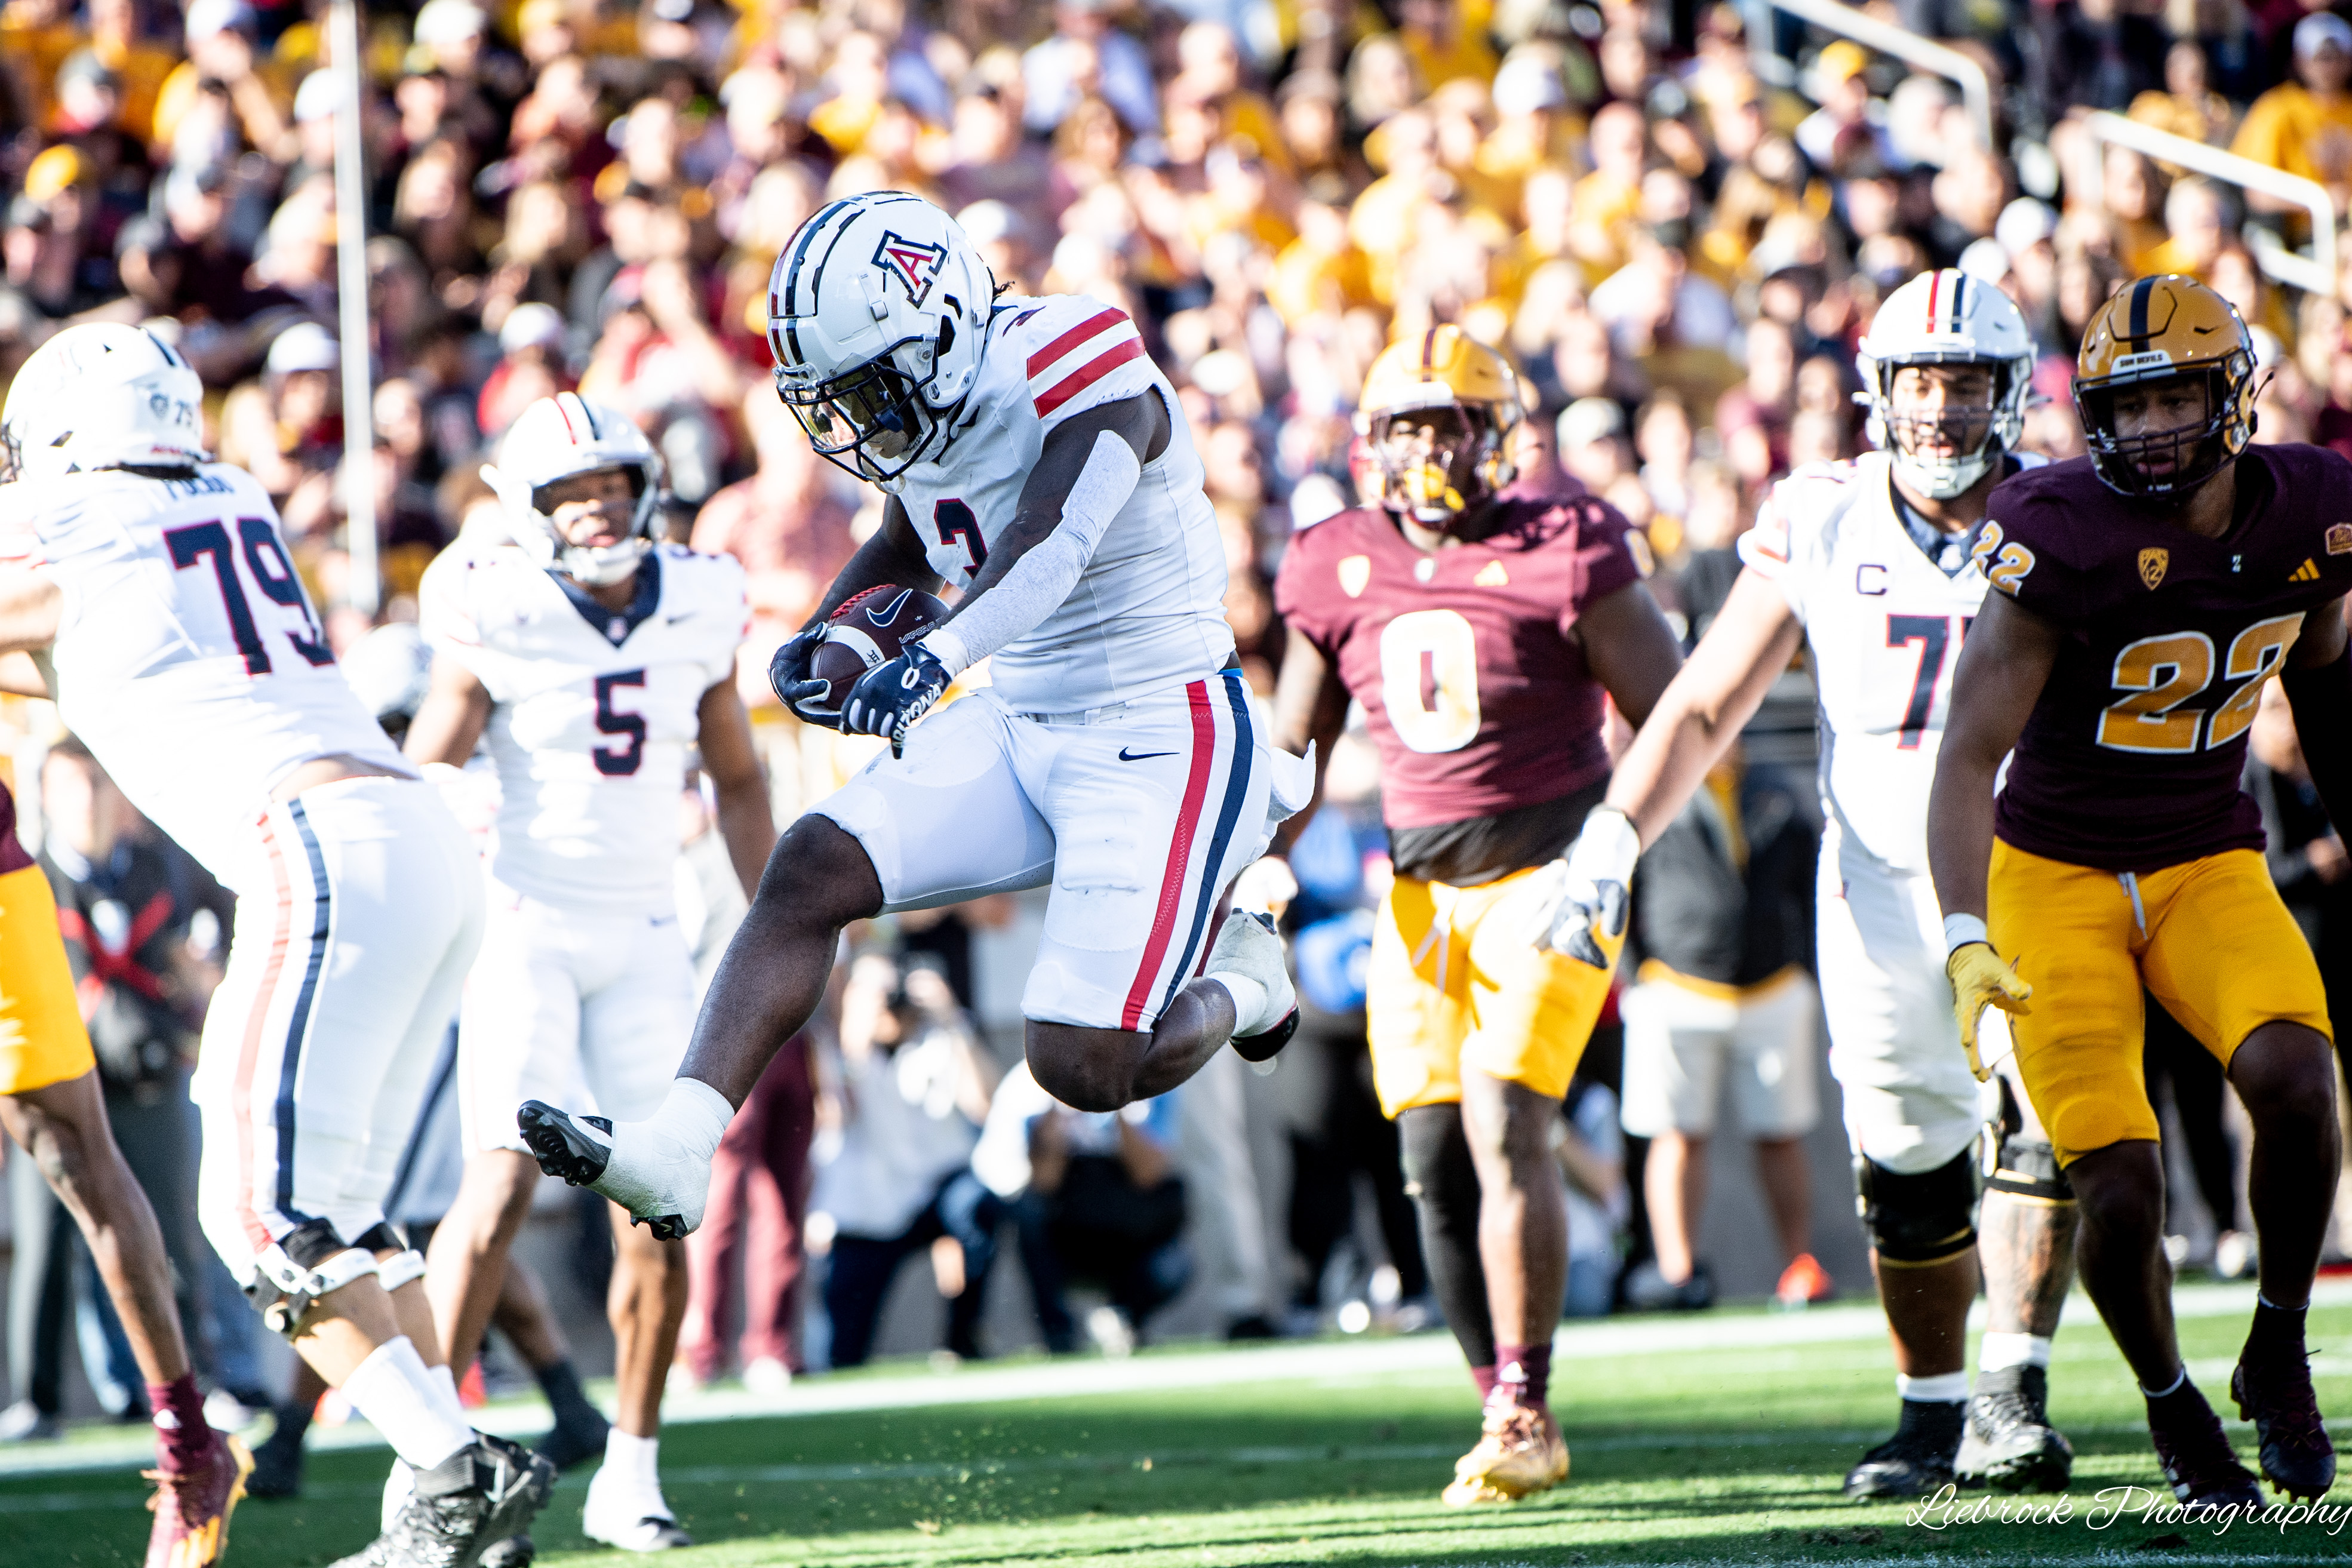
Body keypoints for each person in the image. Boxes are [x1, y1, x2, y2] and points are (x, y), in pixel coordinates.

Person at [516, 192, 1307, 1246]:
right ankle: (676, 1145)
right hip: (1023, 711)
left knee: (1082, 1064)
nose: (855, 419)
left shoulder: (1078, 354)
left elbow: (1048, 538)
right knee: (811, 865)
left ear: (939, 330)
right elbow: (908, 540)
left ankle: (1246, 983)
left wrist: (932, 658)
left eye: (866, 388)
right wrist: (822, 632)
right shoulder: (932, 407)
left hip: (1163, 727)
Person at [0, 322, 552, 1567]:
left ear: (65, 439)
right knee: (344, 1208)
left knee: (254, 1212)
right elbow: (98, 658)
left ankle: (453, 1466)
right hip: (412, 836)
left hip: (316, 846)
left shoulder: (71, 516)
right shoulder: (228, 494)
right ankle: (443, 1505)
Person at [1532, 270, 2083, 1498]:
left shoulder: (2060, 510)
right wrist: (1612, 836)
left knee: (2045, 1120)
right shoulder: (1822, 514)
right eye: (1918, 383)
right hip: (1874, 881)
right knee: (1905, 1153)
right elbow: (1705, 699)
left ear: (2008, 392)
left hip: (2034, 867)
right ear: (1877, 392)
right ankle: (1929, 1413)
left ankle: (2011, 1391)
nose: (1938, 410)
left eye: (1964, 383)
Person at [1929, 273, 2352, 1507]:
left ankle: (2276, 1347)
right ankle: (2172, 1406)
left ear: (2232, 398)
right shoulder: (2056, 526)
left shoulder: (2310, 507)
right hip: (2052, 874)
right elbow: (1964, 752)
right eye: (2128, 404)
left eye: (2175, 399)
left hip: (2203, 855)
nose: (2152, 427)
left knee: (2296, 1079)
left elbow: (2326, 691)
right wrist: (1962, 932)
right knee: (2116, 1180)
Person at [1256, 325, 1684, 1505]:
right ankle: (1499, 1400)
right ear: (1368, 443)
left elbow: (1676, 710)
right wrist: (1256, 869)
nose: (1427, 451)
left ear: (1495, 436)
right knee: (1431, 1156)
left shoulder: (1564, 541)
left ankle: (1524, 1402)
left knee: (1503, 1112)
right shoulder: (1333, 561)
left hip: (1552, 870)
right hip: (1416, 896)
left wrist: (1618, 841)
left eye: (1447, 426)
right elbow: (1295, 747)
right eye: (1405, 429)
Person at [405, 391, 776, 1551]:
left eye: (613, 485)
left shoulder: (699, 597)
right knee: (498, 1187)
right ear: (527, 510)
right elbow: (427, 768)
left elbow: (738, 777)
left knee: (660, 1206)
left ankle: (631, 1469)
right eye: (570, 493)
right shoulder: (496, 602)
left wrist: (782, 923)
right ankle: (430, 1470)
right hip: (525, 923)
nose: (599, 508)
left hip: (647, 929)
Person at [813, 952, 1002, 1366]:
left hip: (936, 1193)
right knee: (846, 1349)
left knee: (977, 1204)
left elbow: (985, 1106)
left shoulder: (941, 1039)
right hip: (871, 1212)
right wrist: (854, 1040)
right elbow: (837, 1116)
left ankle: (962, 1340)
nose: (889, 1002)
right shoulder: (836, 1051)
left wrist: (953, 1019)